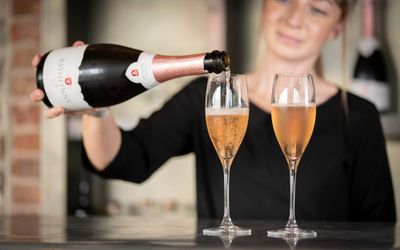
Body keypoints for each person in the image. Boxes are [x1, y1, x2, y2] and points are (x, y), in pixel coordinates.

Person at [31, 0, 396, 221]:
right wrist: (95, 105)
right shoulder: (210, 97)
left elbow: (378, 230)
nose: (294, 19)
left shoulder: (358, 117)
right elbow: (128, 160)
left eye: (317, 8)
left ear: (337, 27)